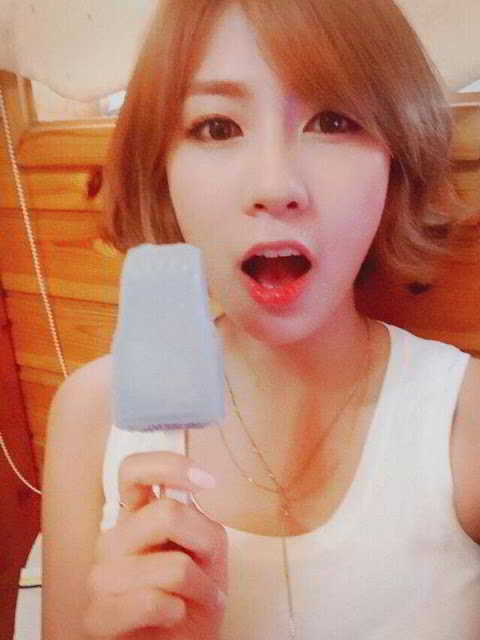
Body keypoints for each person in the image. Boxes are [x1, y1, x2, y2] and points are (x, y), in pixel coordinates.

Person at [42, 0, 480, 638]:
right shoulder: (91, 416)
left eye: (333, 120)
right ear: (162, 173)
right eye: (217, 127)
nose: (275, 185)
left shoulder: (466, 422)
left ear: (397, 162)